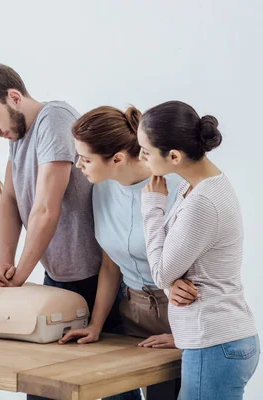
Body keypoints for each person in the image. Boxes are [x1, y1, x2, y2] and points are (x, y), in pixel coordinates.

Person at [0, 64, 123, 334]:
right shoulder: (18, 132)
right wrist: (5, 264)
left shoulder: (54, 119)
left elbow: (45, 208)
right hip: (57, 276)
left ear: (14, 98)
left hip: (97, 278)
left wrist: (18, 277)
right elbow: (10, 199)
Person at [59, 105, 185, 399]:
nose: (79, 165)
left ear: (117, 158)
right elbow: (110, 265)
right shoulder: (102, 187)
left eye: (86, 159)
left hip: (178, 314)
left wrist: (183, 333)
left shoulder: (177, 187)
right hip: (131, 312)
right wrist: (95, 326)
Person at [138, 100, 259, 399]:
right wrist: (170, 286)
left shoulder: (203, 202)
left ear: (174, 156)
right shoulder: (195, 187)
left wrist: (152, 207)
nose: (142, 159)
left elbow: (161, 270)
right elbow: (172, 265)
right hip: (218, 341)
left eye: (146, 152)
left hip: (215, 344)